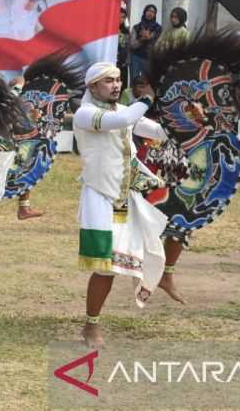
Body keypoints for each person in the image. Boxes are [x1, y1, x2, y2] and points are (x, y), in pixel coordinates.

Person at [73, 62, 171, 348]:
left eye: (118, 80)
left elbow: (157, 131)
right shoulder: (85, 113)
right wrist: (148, 98)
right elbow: (126, 119)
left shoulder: (121, 112)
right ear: (93, 87)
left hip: (125, 194)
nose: (116, 85)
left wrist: (186, 120)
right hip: (99, 197)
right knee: (105, 266)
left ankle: (160, 277)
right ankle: (91, 326)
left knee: (127, 256)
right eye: (108, 81)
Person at [0, 49, 43, 219]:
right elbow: (0, 106)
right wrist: (17, 87)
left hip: (2, 148)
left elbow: (8, 112)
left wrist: (29, 117)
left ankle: (23, 206)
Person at [129, 5, 162, 82]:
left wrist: (150, 37)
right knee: (134, 79)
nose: (150, 13)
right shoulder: (136, 27)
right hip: (136, 57)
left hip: (150, 58)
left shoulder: (158, 28)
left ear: (155, 14)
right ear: (144, 12)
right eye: (148, 11)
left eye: (153, 12)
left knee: (148, 81)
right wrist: (142, 39)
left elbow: (160, 45)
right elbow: (132, 45)